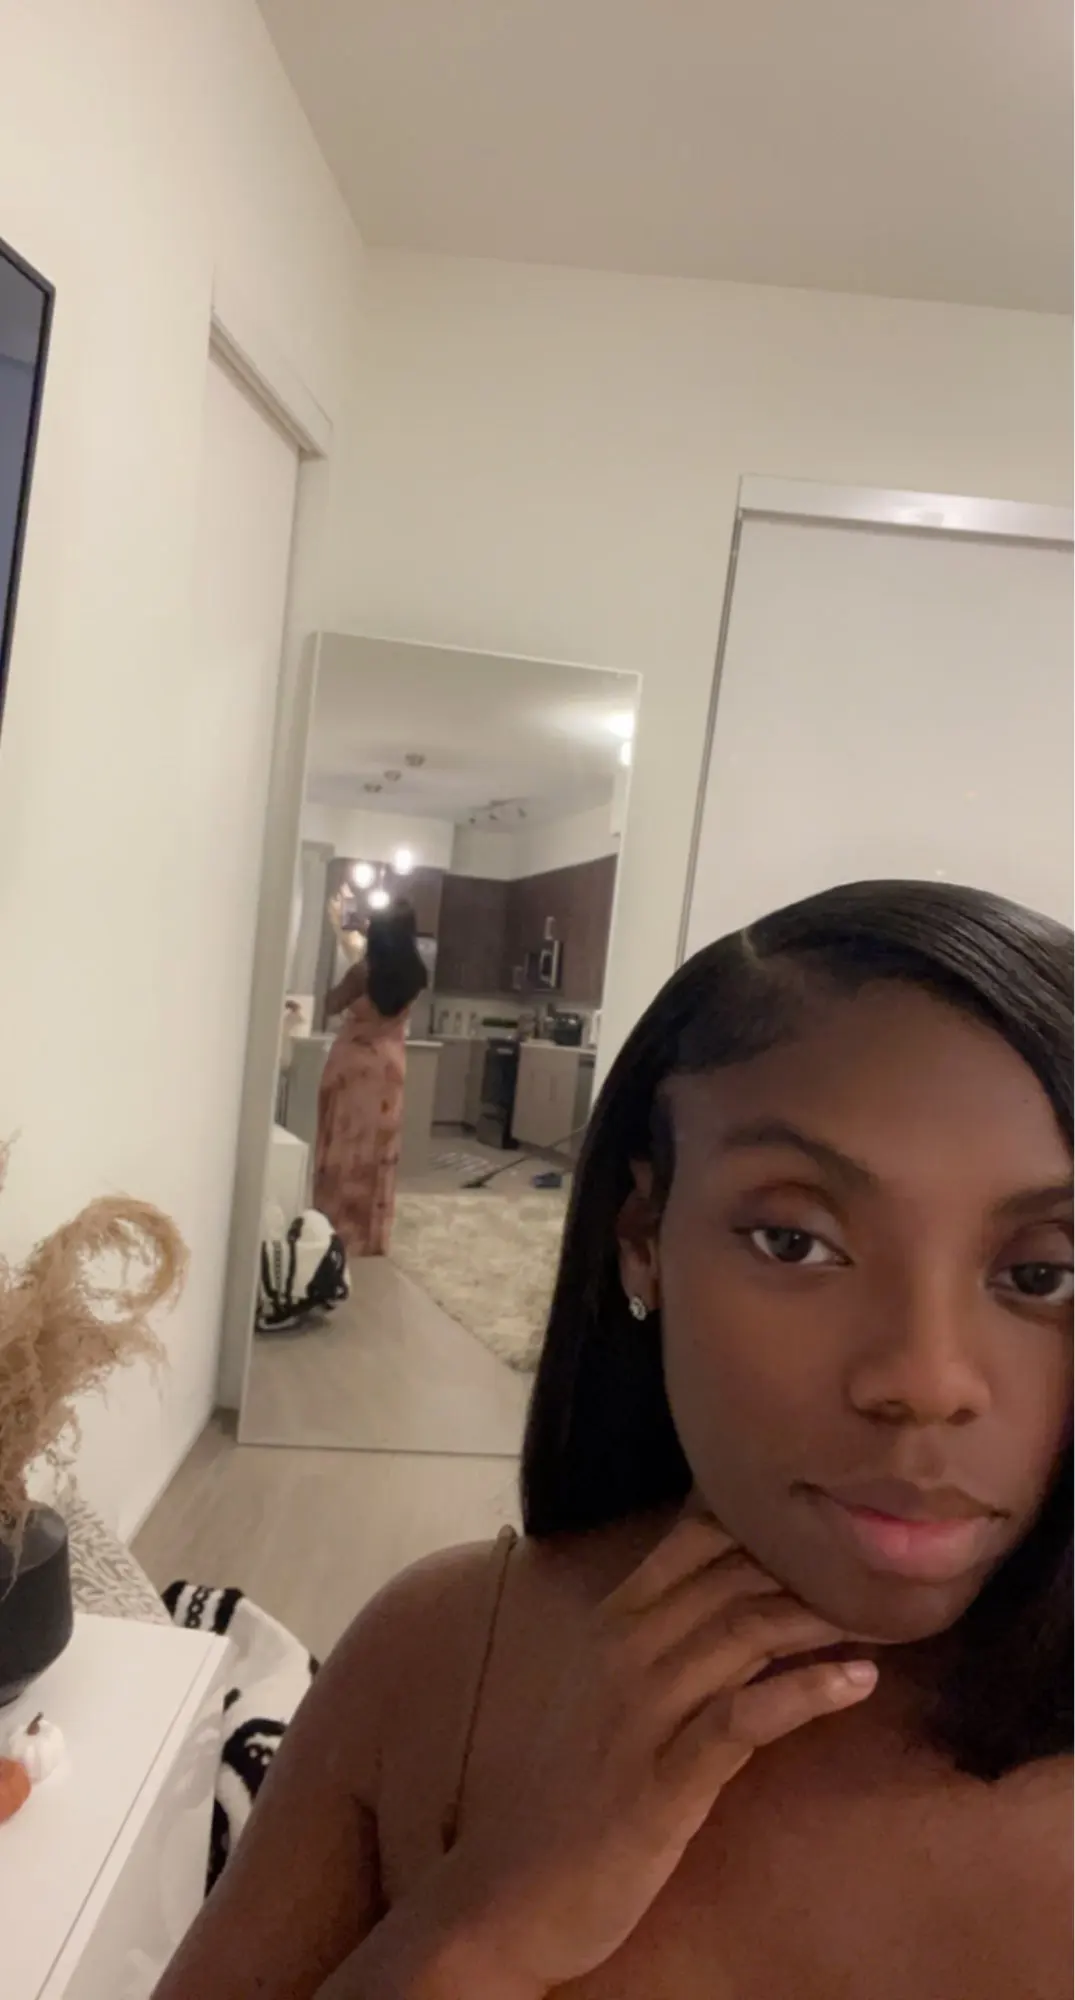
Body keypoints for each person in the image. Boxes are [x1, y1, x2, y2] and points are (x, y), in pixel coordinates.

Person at [157, 880, 1072, 2000]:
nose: (926, 1382)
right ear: (643, 1236)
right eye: (795, 1241)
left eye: (1040, 1274)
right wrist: (479, 1928)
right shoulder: (441, 1659)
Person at [312, 898, 428, 1256]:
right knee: (378, 1151)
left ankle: (338, 1230)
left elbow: (329, 1005)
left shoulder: (363, 972)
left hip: (356, 1065)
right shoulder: (416, 974)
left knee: (346, 1148)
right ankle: (371, 1236)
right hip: (390, 1066)